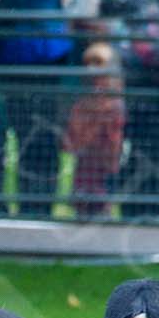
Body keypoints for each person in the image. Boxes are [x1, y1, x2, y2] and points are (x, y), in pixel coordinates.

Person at [64, 42, 128, 218]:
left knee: (102, 209)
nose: (92, 71)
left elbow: (115, 138)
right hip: (85, 164)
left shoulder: (115, 103)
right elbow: (73, 138)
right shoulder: (82, 101)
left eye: (98, 64)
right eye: (89, 64)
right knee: (82, 208)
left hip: (105, 166)